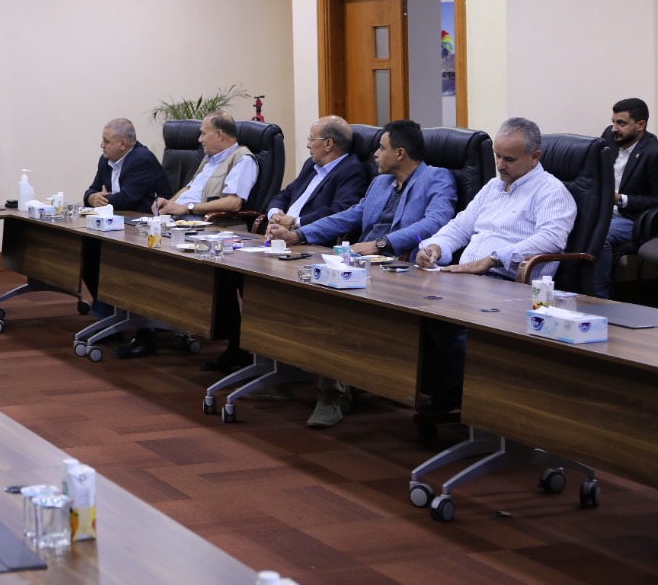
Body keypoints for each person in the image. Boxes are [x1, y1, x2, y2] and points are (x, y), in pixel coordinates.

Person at [266, 120, 458, 427]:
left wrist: (381, 244)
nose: (375, 154)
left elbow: (435, 222)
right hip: (362, 262)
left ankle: (332, 394)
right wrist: (298, 235)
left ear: (400, 153)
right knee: (298, 285)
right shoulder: (380, 183)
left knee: (331, 303)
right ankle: (288, 369)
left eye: (381, 148)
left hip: (401, 269)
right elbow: (351, 215)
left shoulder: (437, 178)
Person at [414, 117, 576, 413]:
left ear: (535, 157)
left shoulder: (551, 191)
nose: (500, 165)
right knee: (410, 304)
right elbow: (460, 227)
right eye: (497, 156)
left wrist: (494, 258)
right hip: (468, 280)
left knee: (439, 316)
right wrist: (435, 247)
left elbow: (552, 239)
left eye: (509, 159)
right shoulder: (493, 186)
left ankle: (488, 395)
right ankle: (451, 392)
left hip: (509, 285)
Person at [118, 111, 259, 359]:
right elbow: (189, 187)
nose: (199, 139)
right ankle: (147, 327)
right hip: (185, 224)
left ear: (219, 134)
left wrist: (186, 208)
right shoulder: (210, 159)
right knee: (133, 250)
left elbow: (234, 202)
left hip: (214, 229)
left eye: (203, 133)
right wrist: (168, 204)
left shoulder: (242, 159)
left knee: (152, 261)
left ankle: (149, 331)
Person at [81, 117, 173, 316]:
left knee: (99, 251)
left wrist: (103, 199)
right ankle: (107, 308)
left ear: (122, 144)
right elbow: (92, 190)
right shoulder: (105, 160)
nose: (101, 145)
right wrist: (92, 197)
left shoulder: (142, 159)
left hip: (145, 227)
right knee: (85, 249)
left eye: (106, 141)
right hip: (118, 223)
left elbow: (127, 199)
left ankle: (117, 311)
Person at [262, 115, 369, 233]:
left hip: (307, 237)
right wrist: (274, 214)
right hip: (279, 233)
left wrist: (295, 223)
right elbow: (284, 195)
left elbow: (339, 212)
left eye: (312, 139)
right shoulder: (311, 165)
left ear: (328, 144)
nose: (308, 145)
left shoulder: (351, 170)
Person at [596, 98, 658, 297]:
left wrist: (621, 199)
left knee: (600, 235)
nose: (614, 128)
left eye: (621, 123)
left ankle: (599, 296)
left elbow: (656, 199)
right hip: (603, 211)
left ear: (640, 125)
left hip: (633, 219)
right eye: (613, 122)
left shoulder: (653, 152)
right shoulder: (610, 137)